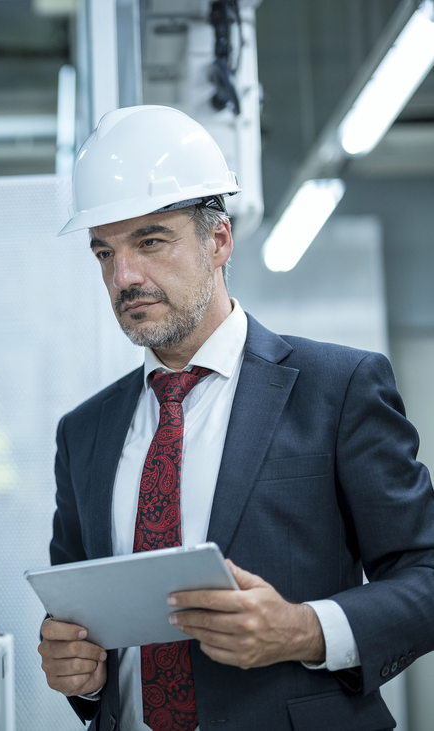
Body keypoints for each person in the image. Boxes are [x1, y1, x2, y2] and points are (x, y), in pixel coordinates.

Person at [37, 105, 434, 731]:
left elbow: (426, 575)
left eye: (151, 241)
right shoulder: (83, 433)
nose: (125, 277)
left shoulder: (339, 388)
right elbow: (81, 620)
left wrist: (306, 630)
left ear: (218, 240)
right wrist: (77, 672)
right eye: (104, 253)